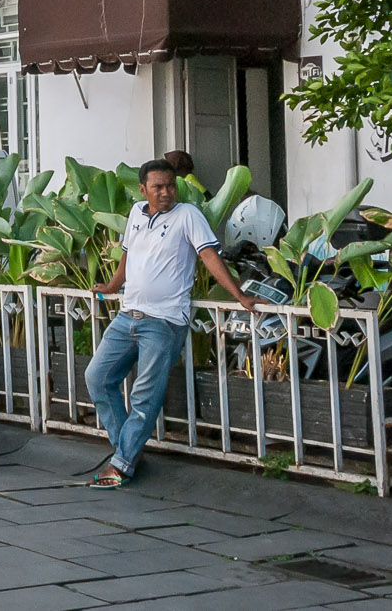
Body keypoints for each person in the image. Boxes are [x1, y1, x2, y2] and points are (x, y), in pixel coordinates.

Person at [85, 158, 261, 488]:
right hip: (128, 316)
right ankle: (127, 450)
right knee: (97, 377)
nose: (166, 192)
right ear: (143, 190)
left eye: (170, 186)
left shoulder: (188, 216)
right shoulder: (137, 213)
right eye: (158, 187)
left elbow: (210, 257)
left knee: (144, 396)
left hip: (164, 321)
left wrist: (239, 295)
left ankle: (121, 463)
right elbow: (128, 255)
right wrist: (111, 286)